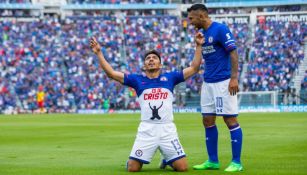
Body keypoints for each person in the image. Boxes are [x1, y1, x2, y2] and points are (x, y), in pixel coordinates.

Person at [90, 32, 204, 172]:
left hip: (167, 129)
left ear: (160, 64)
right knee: (133, 168)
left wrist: (198, 46)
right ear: (144, 65)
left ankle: (167, 159)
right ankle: (144, 158)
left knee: (182, 168)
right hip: (147, 129)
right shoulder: (137, 80)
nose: (151, 60)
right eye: (148, 58)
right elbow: (112, 74)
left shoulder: (171, 78)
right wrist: (99, 53)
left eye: (154, 58)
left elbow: (194, 68)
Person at [187, 4, 243, 172]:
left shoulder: (220, 29)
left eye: (191, 18)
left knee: (230, 120)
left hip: (223, 81)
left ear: (201, 15)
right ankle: (213, 160)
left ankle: (237, 162)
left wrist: (234, 78)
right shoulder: (201, 34)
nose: (189, 22)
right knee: (207, 120)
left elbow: (233, 52)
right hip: (208, 82)